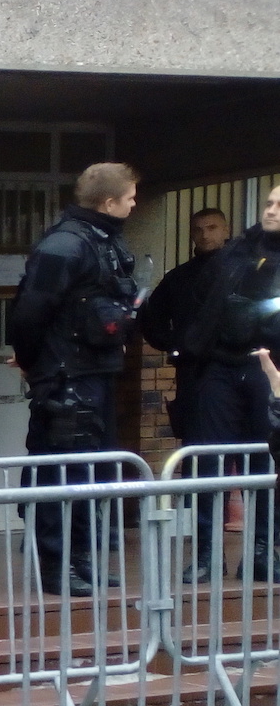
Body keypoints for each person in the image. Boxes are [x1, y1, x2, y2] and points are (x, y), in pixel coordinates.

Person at [9, 162, 143, 597]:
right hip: (66, 377)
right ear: (109, 202)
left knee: (93, 472)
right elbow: (31, 310)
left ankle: (81, 559)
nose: (135, 203)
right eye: (130, 197)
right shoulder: (64, 246)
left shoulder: (101, 240)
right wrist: (33, 363)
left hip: (94, 373)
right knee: (59, 473)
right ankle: (56, 565)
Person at [182, 185, 280, 578]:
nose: (270, 210)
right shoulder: (237, 251)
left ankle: (260, 553)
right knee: (210, 460)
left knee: (266, 460)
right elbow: (206, 305)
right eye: (269, 203)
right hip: (221, 365)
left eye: (279, 206)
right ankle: (207, 554)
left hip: (269, 367)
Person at [141, 206, 242, 581]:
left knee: (260, 466)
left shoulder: (251, 270)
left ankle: (263, 551)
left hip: (249, 375)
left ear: (226, 229)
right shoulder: (179, 279)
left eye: (212, 227)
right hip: (199, 379)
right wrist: (178, 345)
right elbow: (150, 319)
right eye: (198, 229)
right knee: (203, 467)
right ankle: (206, 554)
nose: (205, 234)